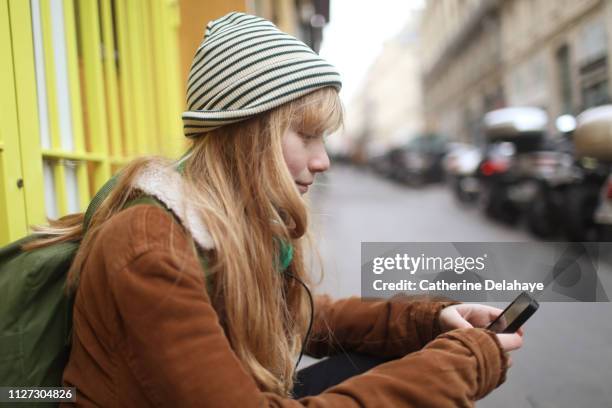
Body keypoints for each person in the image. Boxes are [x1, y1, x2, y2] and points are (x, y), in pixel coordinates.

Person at [27, 12, 523, 407]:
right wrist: (462, 365)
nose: (323, 160)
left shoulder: (231, 225)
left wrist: (431, 323)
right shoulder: (150, 248)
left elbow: (301, 315)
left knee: (402, 358)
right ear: (248, 133)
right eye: (306, 135)